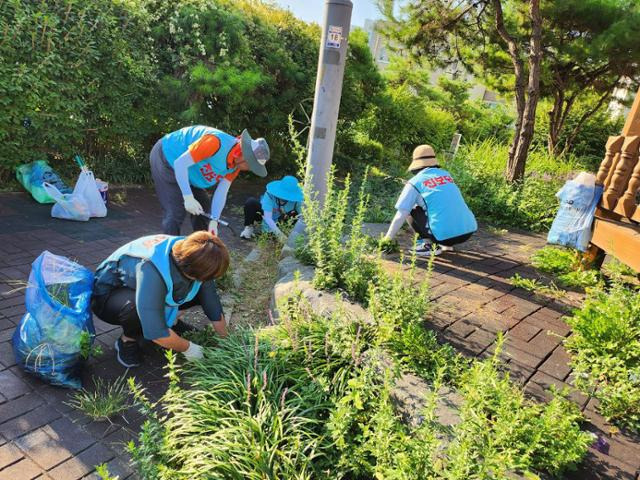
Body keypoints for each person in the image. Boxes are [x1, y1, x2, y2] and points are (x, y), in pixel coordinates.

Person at [91, 231, 229, 367]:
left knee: (199, 291)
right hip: (107, 297)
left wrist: (226, 342)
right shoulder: (151, 267)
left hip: (142, 288)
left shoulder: (195, 254)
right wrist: (189, 348)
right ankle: (127, 340)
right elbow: (156, 333)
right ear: (189, 270)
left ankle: (171, 321)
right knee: (135, 308)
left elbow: (213, 306)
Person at [150, 125, 270, 236]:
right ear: (243, 154)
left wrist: (214, 221)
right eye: (251, 165)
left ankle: (201, 250)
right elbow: (180, 163)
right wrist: (188, 197)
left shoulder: (235, 165)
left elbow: (221, 192)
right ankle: (168, 256)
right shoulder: (214, 143)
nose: (249, 169)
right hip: (167, 157)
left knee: (203, 207)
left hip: (188, 172)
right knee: (175, 213)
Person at [383, 144, 477, 256]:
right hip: (467, 232)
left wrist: (387, 239)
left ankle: (429, 245)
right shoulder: (446, 175)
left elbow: (401, 213)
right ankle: (447, 245)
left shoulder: (415, 182)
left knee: (410, 209)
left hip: (444, 236)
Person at [240, 175, 303, 242]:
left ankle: (288, 234)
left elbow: (303, 216)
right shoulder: (270, 195)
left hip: (282, 221)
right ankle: (249, 227)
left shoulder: (297, 200)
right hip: (266, 217)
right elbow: (268, 217)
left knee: (295, 214)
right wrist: (279, 234)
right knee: (251, 202)